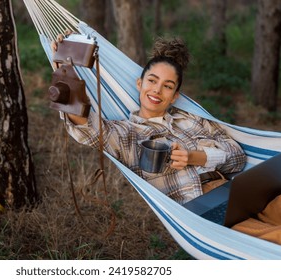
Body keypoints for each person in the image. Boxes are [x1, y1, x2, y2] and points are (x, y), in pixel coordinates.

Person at [51, 35, 247, 205]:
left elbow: (238, 158)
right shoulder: (127, 134)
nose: (157, 90)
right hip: (198, 208)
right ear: (140, 83)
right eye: (152, 81)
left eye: (168, 86)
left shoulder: (194, 119)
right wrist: (66, 74)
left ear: (175, 96)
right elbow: (86, 128)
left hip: (233, 191)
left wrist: (194, 156)